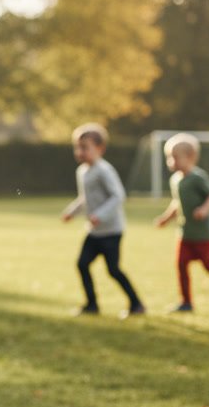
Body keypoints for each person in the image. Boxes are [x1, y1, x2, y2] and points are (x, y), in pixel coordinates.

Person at [61, 123, 146, 318]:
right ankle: (91, 305)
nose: (80, 152)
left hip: (111, 231)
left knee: (113, 270)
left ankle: (136, 304)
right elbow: (85, 198)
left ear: (100, 148)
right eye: (77, 147)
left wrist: (100, 215)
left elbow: (118, 196)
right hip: (94, 232)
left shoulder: (104, 170)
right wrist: (71, 212)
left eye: (85, 147)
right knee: (82, 264)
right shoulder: (82, 171)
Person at [153, 132, 209, 312]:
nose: (171, 161)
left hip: (202, 234)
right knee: (181, 265)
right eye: (169, 157)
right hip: (185, 233)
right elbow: (177, 203)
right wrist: (166, 218)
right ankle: (186, 302)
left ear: (190, 157)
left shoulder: (198, 177)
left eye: (175, 157)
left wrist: (204, 209)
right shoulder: (175, 180)